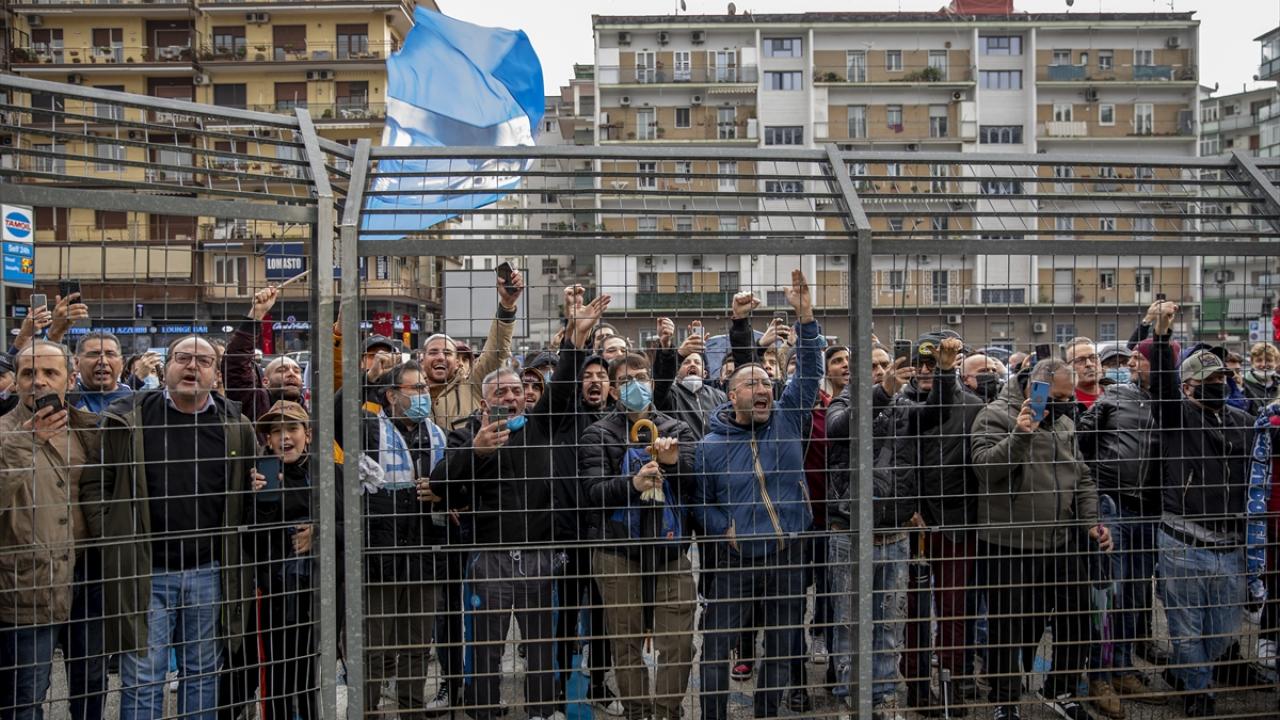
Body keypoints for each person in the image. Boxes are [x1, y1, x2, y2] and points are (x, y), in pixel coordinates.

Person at [430, 291, 606, 720]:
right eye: (502, 392)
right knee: (485, 647)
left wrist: (575, 343)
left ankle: (543, 711)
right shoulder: (465, 432)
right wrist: (475, 451)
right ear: (486, 399)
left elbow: (564, 386)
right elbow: (439, 484)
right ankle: (485, 711)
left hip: (540, 556)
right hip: (489, 557)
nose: (511, 398)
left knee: (542, 648)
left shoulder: (540, 425)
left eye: (516, 391)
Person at [81, 334, 256, 720]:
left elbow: (247, 493)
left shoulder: (235, 425)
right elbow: (95, 485)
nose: (192, 366)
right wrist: (113, 537)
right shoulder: (131, 417)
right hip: (146, 572)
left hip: (209, 572)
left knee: (202, 674)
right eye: (183, 358)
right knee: (143, 675)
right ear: (166, 366)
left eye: (204, 361)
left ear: (215, 374)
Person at [693, 270, 821, 720]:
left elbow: (809, 371)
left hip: (788, 552)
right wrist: (722, 529)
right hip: (734, 559)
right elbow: (698, 504)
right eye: (752, 384)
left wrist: (806, 317)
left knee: (784, 646)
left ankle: (766, 711)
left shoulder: (788, 419)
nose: (764, 388)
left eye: (767, 383)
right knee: (716, 649)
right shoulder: (708, 447)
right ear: (730, 395)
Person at [970, 358, 1112, 720]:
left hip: (1059, 540)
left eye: (1068, 397)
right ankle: (1005, 700)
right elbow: (985, 469)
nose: (1068, 404)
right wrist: (1021, 434)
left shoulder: (1064, 421)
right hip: (1008, 542)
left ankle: (1060, 689)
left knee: (1078, 615)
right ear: (1037, 389)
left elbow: (1081, 477)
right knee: (1008, 626)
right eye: (1060, 396)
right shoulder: (995, 415)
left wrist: (1092, 522)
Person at [1147, 302, 1258, 717]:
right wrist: (1161, 338)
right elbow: (1161, 385)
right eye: (1210, 378)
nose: (1219, 383)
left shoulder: (1242, 421)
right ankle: (1198, 693)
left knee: (1225, 628)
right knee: (1186, 625)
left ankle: (1187, 671)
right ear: (1190, 386)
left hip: (1230, 543)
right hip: (1183, 539)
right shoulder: (1177, 417)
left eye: (1223, 377)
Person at [579, 352, 698, 720]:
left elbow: (699, 481)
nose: (636, 384)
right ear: (613, 391)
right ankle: (637, 711)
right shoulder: (598, 432)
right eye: (627, 380)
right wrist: (632, 483)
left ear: (653, 382)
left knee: (679, 640)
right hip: (617, 551)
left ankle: (666, 710)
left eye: (642, 376)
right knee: (625, 641)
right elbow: (593, 492)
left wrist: (675, 464)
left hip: (670, 551)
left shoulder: (677, 428)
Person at [0, 341, 104, 720]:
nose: (38, 382)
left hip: (87, 575)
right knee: (26, 691)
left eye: (50, 373)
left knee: (91, 682)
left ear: (70, 379)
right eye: (28, 373)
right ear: (14, 382)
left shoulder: (90, 430)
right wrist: (23, 444)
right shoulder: (3, 433)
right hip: (28, 581)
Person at [1076, 320, 1170, 710]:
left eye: (1139, 357)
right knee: (1107, 590)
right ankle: (1099, 676)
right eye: (1128, 357)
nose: (1131, 361)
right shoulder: (1113, 397)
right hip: (1111, 503)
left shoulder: (1171, 401)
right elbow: (1082, 443)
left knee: (1135, 590)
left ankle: (1124, 667)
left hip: (1149, 509)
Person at [246, 400, 324, 720]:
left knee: (308, 675)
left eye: (292, 428)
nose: (284, 437)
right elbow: (249, 537)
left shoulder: (324, 472)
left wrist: (317, 533)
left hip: (314, 593)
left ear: (308, 434)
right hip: (272, 594)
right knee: (275, 676)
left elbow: (349, 522)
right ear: (267, 439)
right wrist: (259, 499)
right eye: (276, 431)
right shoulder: (258, 474)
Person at [422, 270, 522, 430]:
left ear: (456, 362)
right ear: (422, 359)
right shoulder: (409, 391)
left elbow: (495, 351)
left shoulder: (473, 385)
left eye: (447, 353)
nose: (440, 357)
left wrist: (507, 305)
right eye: (433, 352)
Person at [223, 285, 307, 428]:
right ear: (265, 381)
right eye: (282, 370)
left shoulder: (308, 412)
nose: (291, 374)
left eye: (297, 371)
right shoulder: (255, 403)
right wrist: (257, 313)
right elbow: (236, 363)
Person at [653, 318, 726, 439]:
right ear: (676, 370)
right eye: (686, 362)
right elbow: (661, 380)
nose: (692, 364)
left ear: (705, 373)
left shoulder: (719, 396)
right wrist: (672, 352)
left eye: (697, 362)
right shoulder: (670, 395)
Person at [69, 331, 134, 413]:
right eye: (93, 355)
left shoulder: (135, 401)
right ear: (76, 363)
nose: (103, 361)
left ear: (121, 363)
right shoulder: (66, 397)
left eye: (110, 354)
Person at [1064, 337, 1103, 409]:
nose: (1089, 364)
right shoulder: (1063, 401)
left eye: (1093, 357)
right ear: (1068, 367)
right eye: (1080, 360)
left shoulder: (1117, 394)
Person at [1243, 341, 1280, 411]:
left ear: (1276, 362)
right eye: (1259, 360)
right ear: (1252, 363)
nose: (1264, 364)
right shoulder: (1243, 383)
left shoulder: (1278, 383)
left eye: (1269, 360)